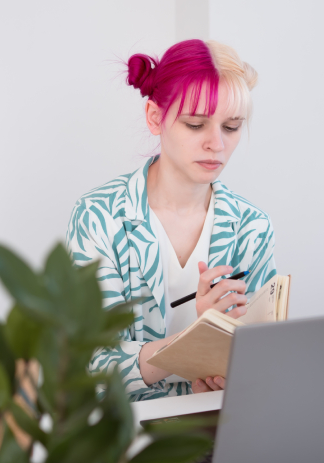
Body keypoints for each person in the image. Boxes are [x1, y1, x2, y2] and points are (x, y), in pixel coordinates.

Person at [65, 39, 277, 401]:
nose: (217, 144)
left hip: (220, 427)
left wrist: (228, 376)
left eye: (231, 127)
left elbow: (266, 361)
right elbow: (93, 368)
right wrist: (198, 342)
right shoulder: (99, 218)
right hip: (125, 434)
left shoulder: (251, 227)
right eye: (195, 125)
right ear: (154, 117)